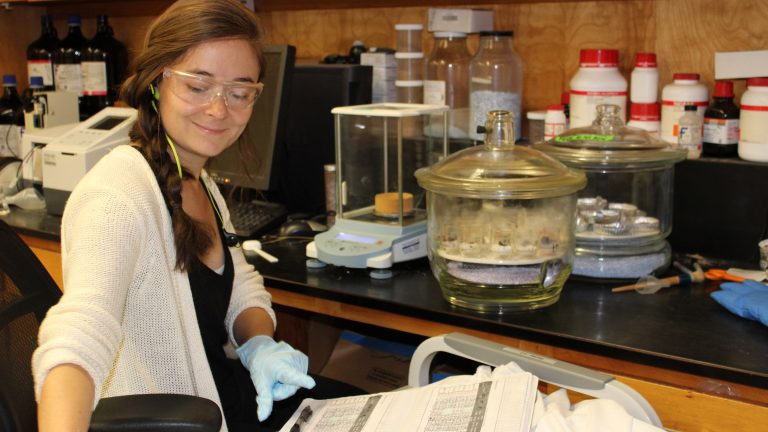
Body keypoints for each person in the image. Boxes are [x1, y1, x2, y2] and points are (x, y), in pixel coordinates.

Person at [32, 1, 333, 430]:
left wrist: (259, 344)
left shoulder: (199, 181)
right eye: (198, 86)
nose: (218, 109)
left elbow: (241, 290)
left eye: (239, 91)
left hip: (230, 396)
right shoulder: (116, 196)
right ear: (157, 81)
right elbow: (78, 336)